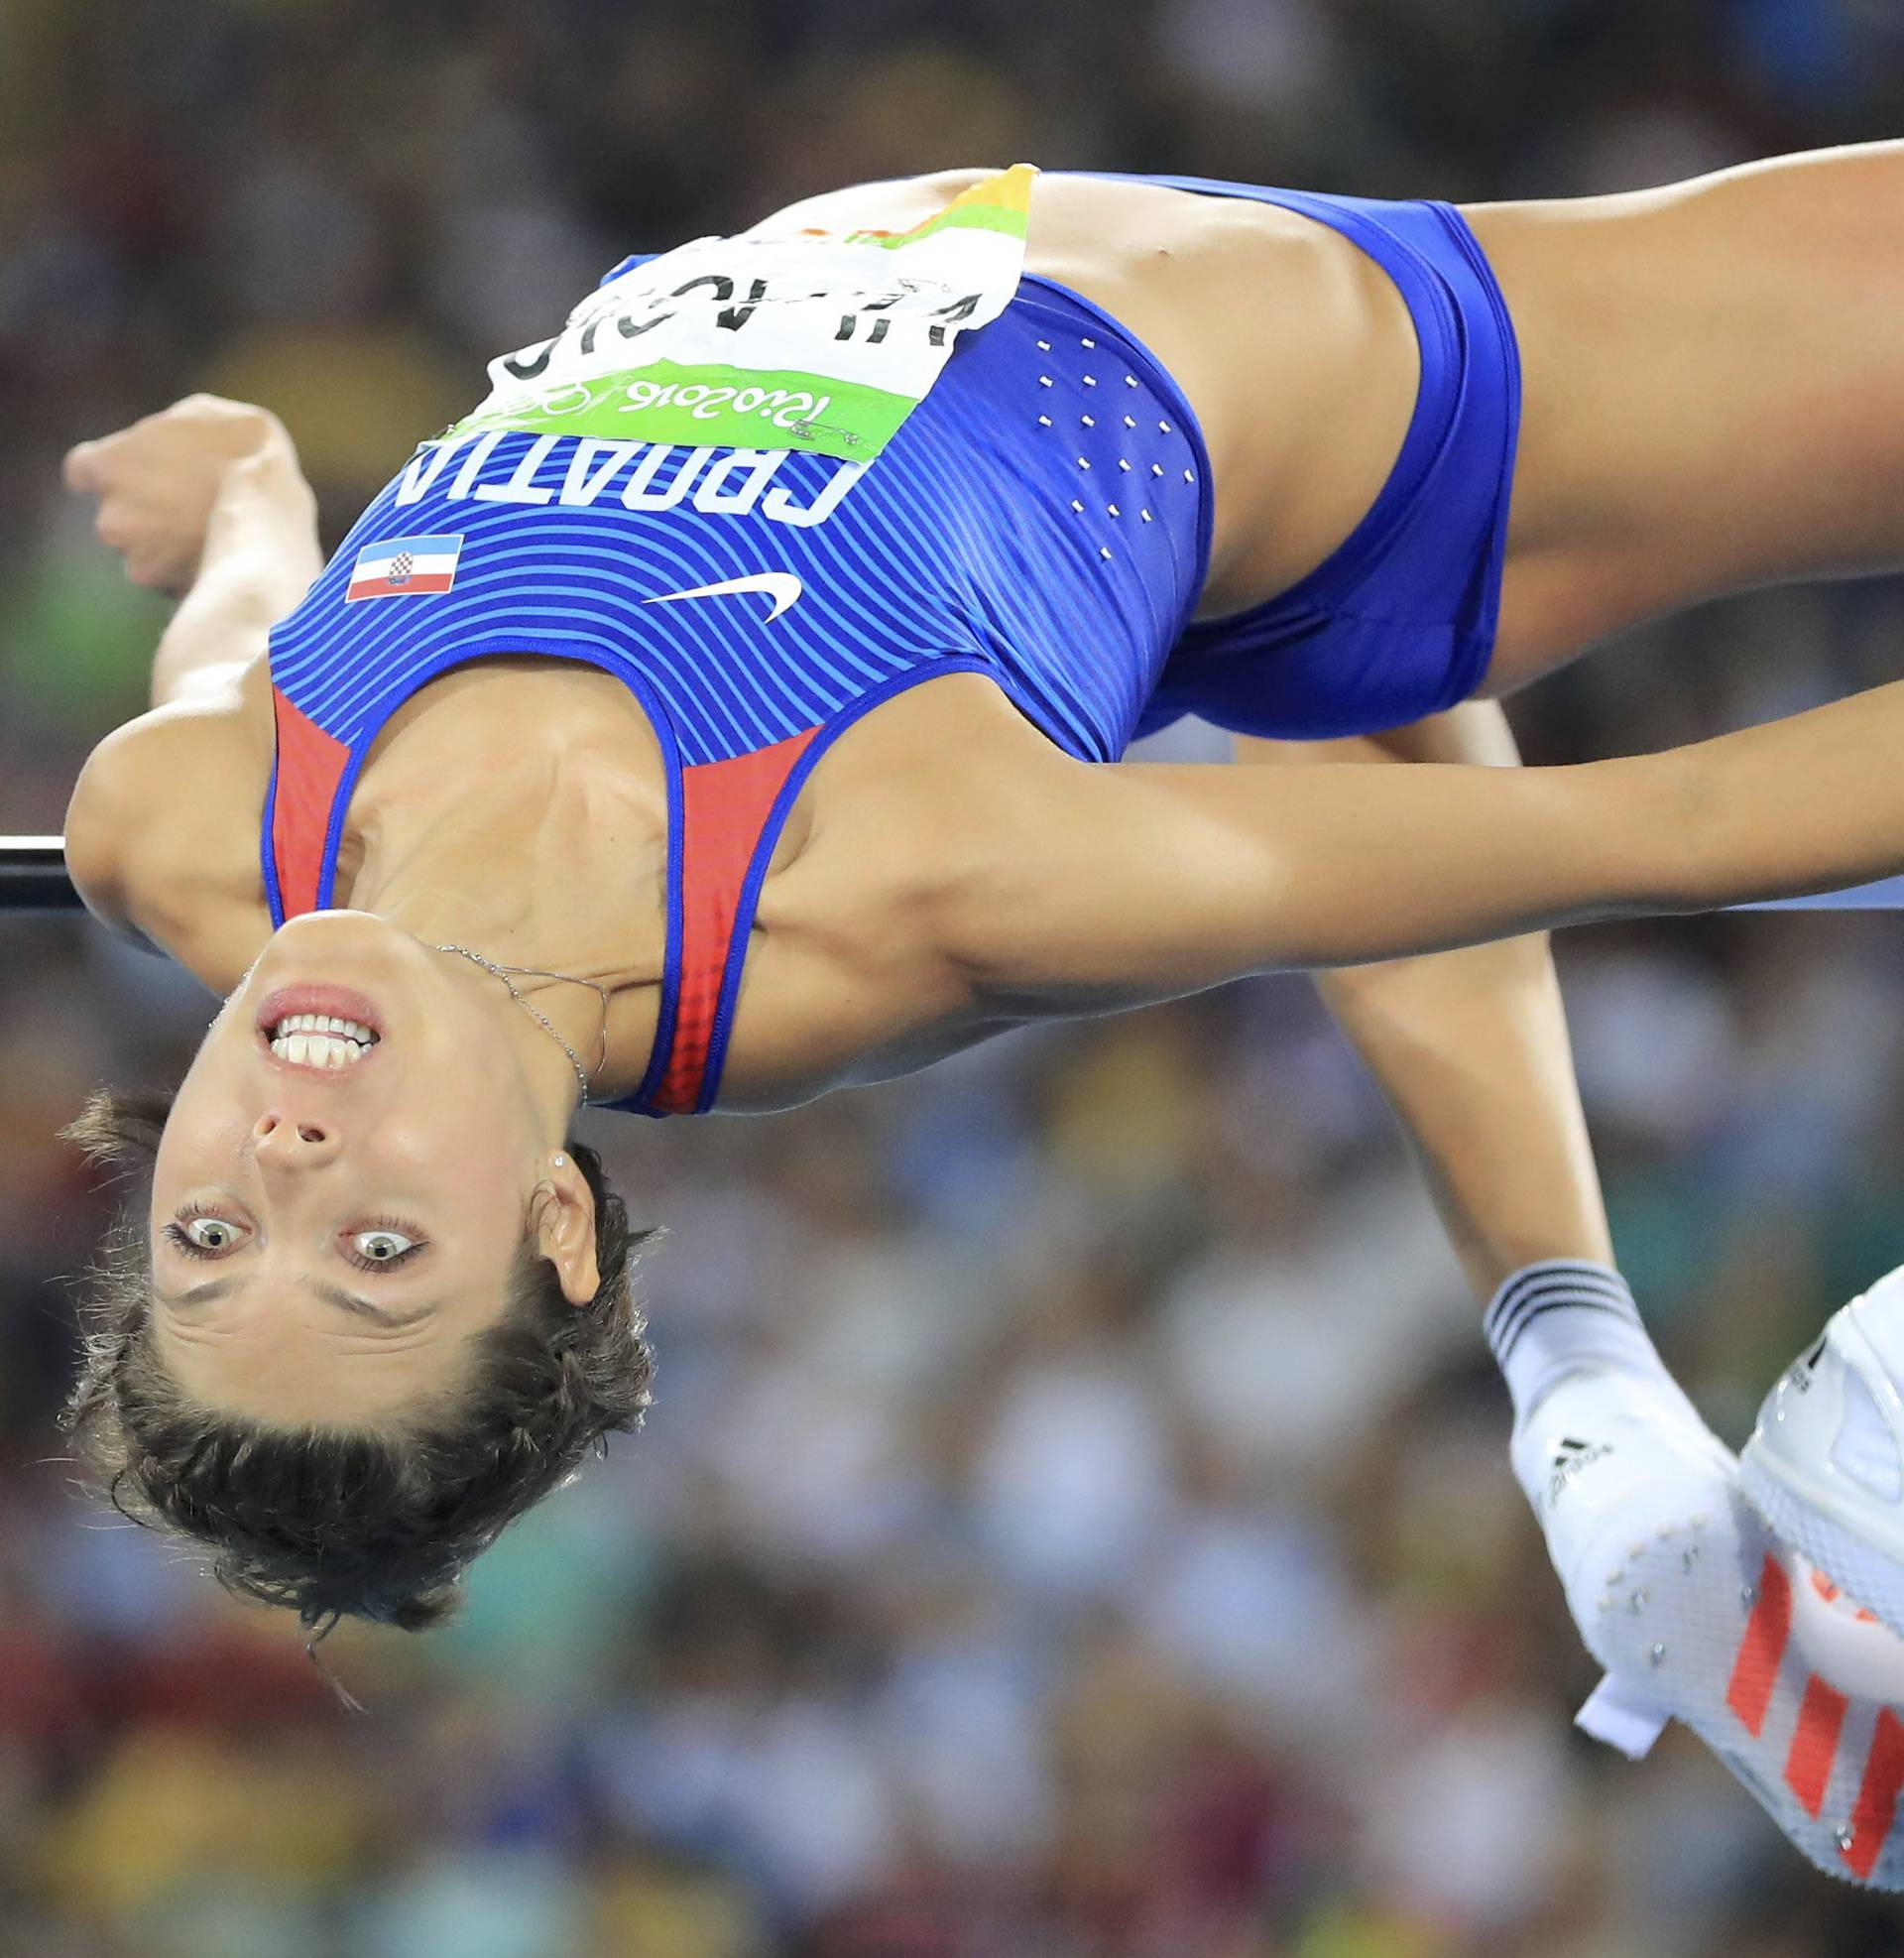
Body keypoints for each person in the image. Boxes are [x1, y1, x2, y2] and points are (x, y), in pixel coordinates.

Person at [52, 153, 1904, 1876]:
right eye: (376, 1247)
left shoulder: (179, 827)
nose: (288, 1155)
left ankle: (1578, 1379)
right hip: (1407, 432)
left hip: (1030, 317)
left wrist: (242, 496)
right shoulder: (882, 888)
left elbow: (244, 630)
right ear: (553, 1222)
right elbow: (1665, 831)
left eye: (214, 1236)